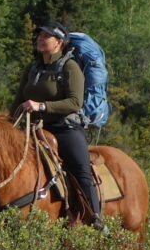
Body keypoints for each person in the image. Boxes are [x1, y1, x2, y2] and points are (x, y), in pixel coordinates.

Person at [13, 22, 103, 229]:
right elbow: (18, 100)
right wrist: (9, 125)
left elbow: (74, 103)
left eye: (47, 36)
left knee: (81, 168)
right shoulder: (32, 68)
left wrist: (41, 106)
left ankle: (93, 215)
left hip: (64, 128)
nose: (40, 39)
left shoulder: (70, 68)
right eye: (40, 36)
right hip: (31, 127)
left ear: (59, 42)